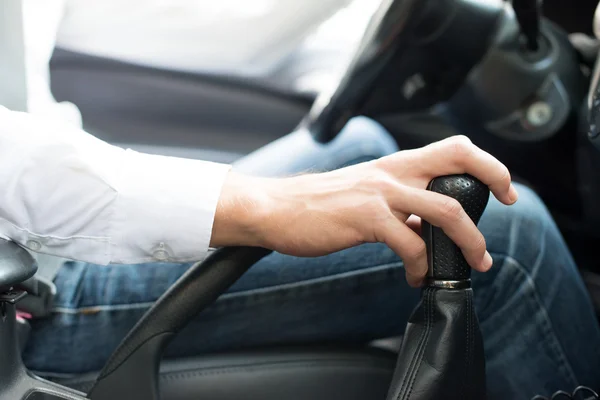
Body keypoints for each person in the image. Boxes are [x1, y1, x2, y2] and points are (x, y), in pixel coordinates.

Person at [0, 104, 597, 399]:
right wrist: (262, 208)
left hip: (30, 211)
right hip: (31, 289)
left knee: (359, 138)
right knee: (514, 243)